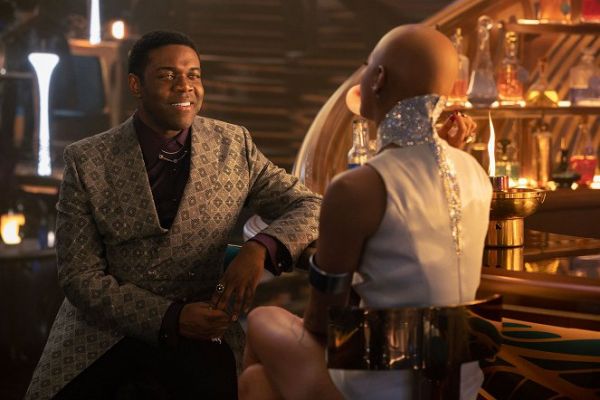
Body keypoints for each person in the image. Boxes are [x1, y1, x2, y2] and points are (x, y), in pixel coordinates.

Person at [25, 30, 322, 400]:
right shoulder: (87, 160)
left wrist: (260, 248)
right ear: (136, 85)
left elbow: (311, 205)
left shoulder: (233, 145)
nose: (185, 86)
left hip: (203, 329)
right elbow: (78, 278)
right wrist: (170, 317)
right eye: (168, 75)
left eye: (193, 74)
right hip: (102, 333)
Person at [239, 25, 492, 400]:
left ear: (378, 79)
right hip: (459, 384)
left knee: (262, 319)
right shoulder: (475, 172)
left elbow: (321, 320)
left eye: (365, 66)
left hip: (379, 384)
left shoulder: (357, 188)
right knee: (257, 382)